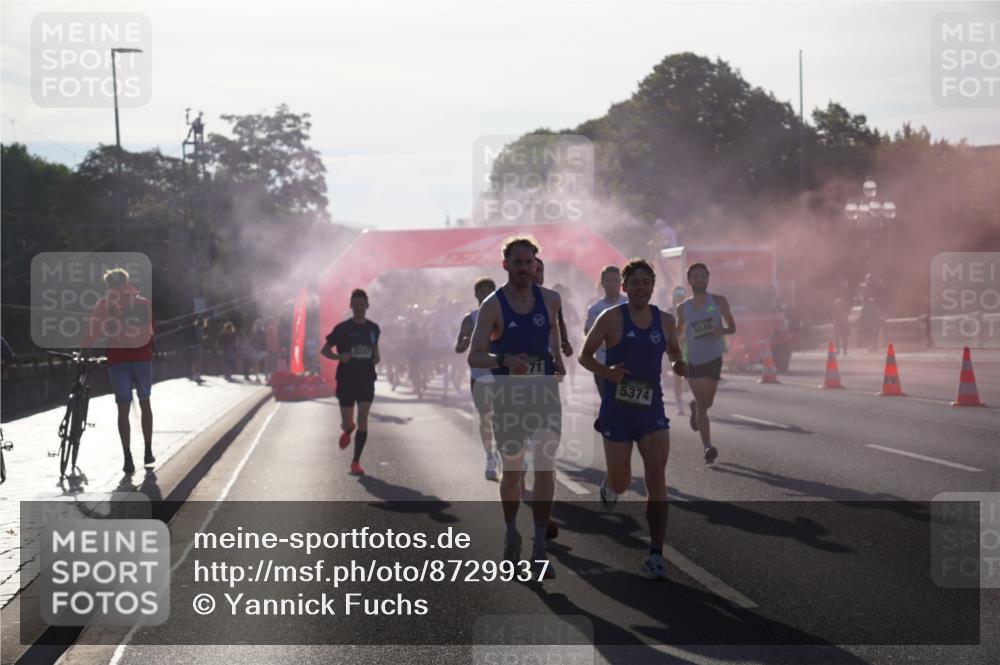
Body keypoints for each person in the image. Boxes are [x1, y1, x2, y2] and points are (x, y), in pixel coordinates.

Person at [579, 258, 686, 579]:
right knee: (622, 481)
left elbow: (675, 352)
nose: (641, 288)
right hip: (617, 410)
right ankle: (610, 486)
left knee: (656, 479)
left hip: (651, 408)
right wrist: (607, 372)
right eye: (635, 283)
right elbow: (585, 356)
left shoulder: (665, 320)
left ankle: (655, 553)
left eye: (646, 283)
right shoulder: (610, 318)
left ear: (653, 287)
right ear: (625, 287)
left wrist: (680, 365)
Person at [468, 236, 565, 578]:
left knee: (544, 468)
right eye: (518, 262)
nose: (525, 268)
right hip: (509, 397)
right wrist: (504, 358)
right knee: (513, 472)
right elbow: (475, 354)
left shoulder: (551, 299)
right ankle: (511, 532)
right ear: (506, 264)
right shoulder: (493, 306)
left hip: (543, 396)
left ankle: (540, 549)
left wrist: (556, 359)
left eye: (530, 263)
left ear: (536, 265)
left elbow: (552, 333)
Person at [80, 268, 155, 475]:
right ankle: (148, 451)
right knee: (145, 402)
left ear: (109, 285)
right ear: (126, 281)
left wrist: (84, 349)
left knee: (122, 409)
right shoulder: (143, 303)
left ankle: (127, 457)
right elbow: (150, 332)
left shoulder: (104, 304)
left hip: (118, 360)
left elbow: (93, 330)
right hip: (142, 359)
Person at [676, 263, 735, 464]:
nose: (699, 280)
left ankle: (695, 410)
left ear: (707, 279)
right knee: (703, 403)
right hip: (693, 359)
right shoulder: (682, 308)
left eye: (703, 276)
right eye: (695, 277)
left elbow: (732, 327)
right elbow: (678, 334)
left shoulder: (719, 301)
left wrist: (723, 331)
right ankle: (707, 447)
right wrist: (675, 357)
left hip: (714, 358)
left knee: (707, 403)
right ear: (689, 280)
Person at [321, 289, 380, 476]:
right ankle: (348, 429)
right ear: (350, 306)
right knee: (349, 423)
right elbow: (325, 350)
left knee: (363, 417)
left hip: (366, 378)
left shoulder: (373, 328)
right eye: (355, 306)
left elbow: (375, 349)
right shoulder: (342, 329)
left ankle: (356, 462)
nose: (358, 309)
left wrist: (376, 357)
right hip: (346, 380)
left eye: (361, 305)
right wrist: (339, 356)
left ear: (367, 306)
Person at [454, 277, 499, 481]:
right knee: (486, 417)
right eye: (482, 292)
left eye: (490, 291)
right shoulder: (470, 318)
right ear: (476, 295)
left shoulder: (504, 315)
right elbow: (459, 346)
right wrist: (464, 343)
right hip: (480, 375)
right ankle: (490, 456)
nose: (486, 295)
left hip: (502, 373)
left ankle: (508, 453)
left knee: (505, 417)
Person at [584, 266, 628, 396]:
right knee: (608, 405)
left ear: (621, 282)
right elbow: (587, 334)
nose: (612, 284)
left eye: (615, 280)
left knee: (628, 408)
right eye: (608, 281)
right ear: (602, 283)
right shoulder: (594, 309)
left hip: (627, 366)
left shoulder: (630, 304)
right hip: (603, 366)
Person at [669, 286, 688, 414]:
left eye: (682, 297)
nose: (680, 299)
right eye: (677, 297)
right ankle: (679, 403)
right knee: (677, 377)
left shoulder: (691, 310)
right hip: (675, 348)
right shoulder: (669, 312)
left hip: (690, 347)